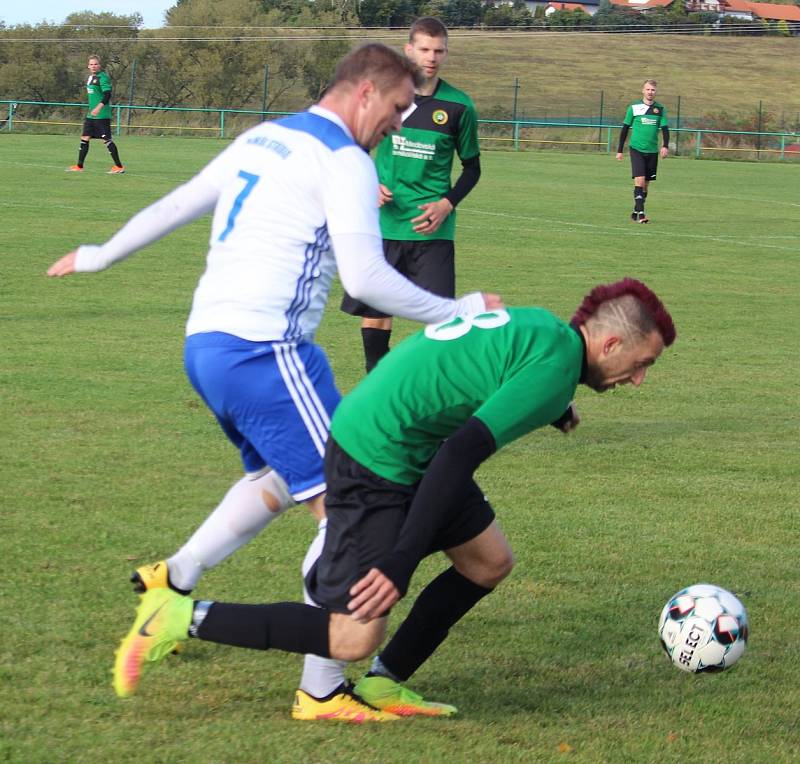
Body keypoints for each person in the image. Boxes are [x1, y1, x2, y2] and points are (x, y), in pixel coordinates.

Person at [48, 43, 501, 722]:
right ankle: (319, 687)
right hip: (267, 351)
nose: (400, 126)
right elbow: (366, 280)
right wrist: (460, 311)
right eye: (399, 109)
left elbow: (180, 202)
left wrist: (100, 253)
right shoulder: (343, 158)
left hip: (212, 346)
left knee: (279, 477)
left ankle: (175, 576)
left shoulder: (266, 136)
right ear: (367, 93)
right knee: (352, 509)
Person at [112, 278, 676, 721]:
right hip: (376, 454)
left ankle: (384, 682)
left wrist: (554, 409)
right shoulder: (554, 373)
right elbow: (458, 456)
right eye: (641, 364)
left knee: (488, 562)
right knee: (352, 633)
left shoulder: (545, 331)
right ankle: (179, 614)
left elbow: (484, 368)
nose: (639, 380)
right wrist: (400, 560)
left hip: (407, 440)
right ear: (610, 344)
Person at [341, 17, 481, 373]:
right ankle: (378, 390)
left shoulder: (459, 107)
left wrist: (447, 203)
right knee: (375, 317)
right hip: (385, 227)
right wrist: (369, 182)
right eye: (424, 49)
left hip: (431, 231)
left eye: (438, 50)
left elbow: (472, 168)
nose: (431, 57)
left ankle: (434, 401)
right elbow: (351, 146)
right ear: (409, 50)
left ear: (446, 53)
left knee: (443, 324)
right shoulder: (384, 97)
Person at [615, 80, 669, 224]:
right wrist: (620, 150)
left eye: (653, 90)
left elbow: (665, 129)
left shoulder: (660, 109)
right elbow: (625, 129)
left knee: (646, 185)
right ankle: (642, 214)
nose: (650, 92)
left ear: (655, 92)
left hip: (652, 151)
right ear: (643, 91)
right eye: (648, 89)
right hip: (636, 149)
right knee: (639, 179)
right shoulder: (634, 107)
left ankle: (636, 210)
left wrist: (665, 146)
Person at [67, 55, 125, 174]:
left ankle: (119, 167)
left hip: (101, 115)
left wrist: (98, 107)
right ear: (88, 66)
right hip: (91, 115)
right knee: (84, 138)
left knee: (107, 140)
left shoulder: (102, 78)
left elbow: (107, 95)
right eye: (91, 64)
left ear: (99, 65)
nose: (94, 66)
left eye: (96, 64)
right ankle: (79, 166)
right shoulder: (90, 78)